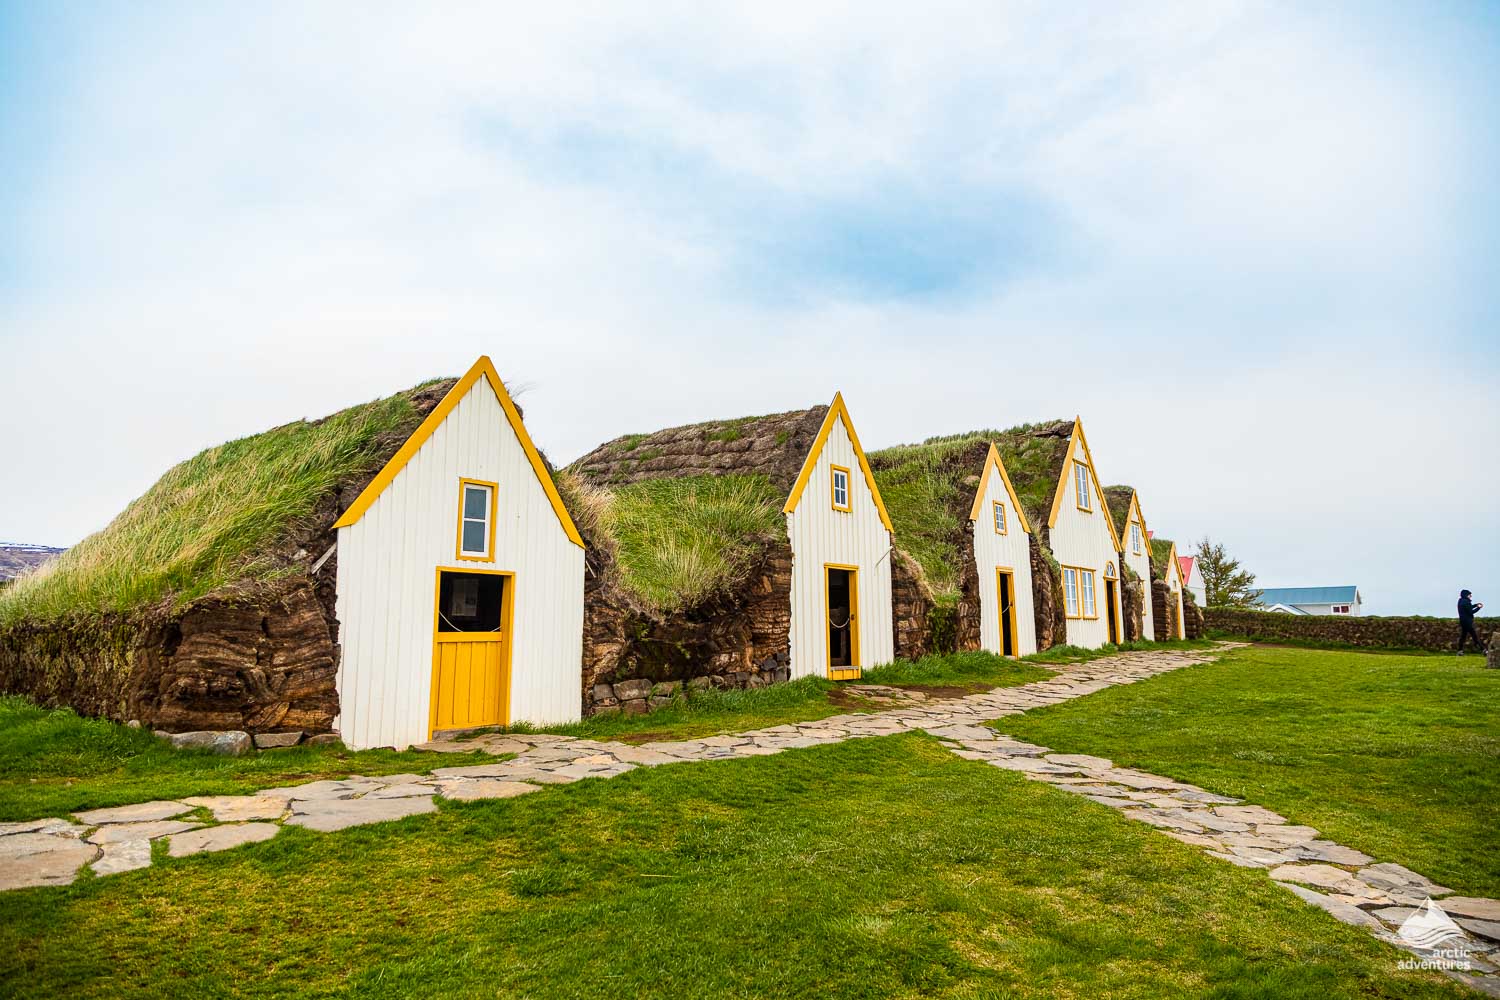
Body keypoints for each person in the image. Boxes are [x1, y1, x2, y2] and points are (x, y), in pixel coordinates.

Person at [1457, 590, 1486, 654]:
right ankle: (1483, 650)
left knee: (1463, 637)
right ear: (1466, 595)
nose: (1471, 596)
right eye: (1469, 594)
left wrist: (1475, 605)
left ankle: (1460, 651)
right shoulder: (1466, 602)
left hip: (1463, 621)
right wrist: (1478, 607)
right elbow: (1471, 612)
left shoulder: (1461, 601)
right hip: (1467, 622)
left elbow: (1468, 608)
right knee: (1474, 636)